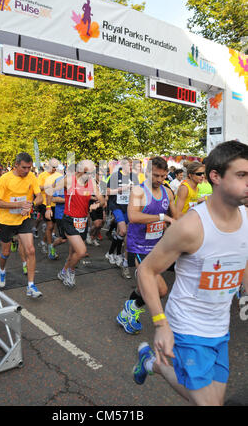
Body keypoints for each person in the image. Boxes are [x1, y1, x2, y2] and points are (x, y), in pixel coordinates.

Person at [132, 140, 248, 406]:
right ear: (215, 177)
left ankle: (152, 364)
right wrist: (160, 324)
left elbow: (244, 259)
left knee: (214, 399)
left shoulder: (247, 218)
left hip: (220, 327)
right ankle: (157, 365)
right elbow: (147, 271)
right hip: (187, 327)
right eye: (242, 175)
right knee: (209, 404)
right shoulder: (190, 227)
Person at [116, 157, 176, 333]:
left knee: (145, 288)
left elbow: (177, 217)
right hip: (138, 247)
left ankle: (129, 311)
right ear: (147, 172)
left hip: (157, 247)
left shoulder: (168, 192)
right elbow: (133, 216)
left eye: (163, 176)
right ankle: (131, 311)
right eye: (156, 175)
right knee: (161, 290)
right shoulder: (138, 191)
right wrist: (161, 218)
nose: (159, 180)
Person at [46, 160, 105, 288]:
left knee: (73, 253)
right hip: (69, 220)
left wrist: (97, 204)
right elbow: (49, 190)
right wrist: (48, 208)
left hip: (83, 222)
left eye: (92, 172)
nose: (90, 175)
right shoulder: (69, 180)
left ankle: (63, 272)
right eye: (87, 172)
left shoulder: (91, 183)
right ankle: (71, 272)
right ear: (79, 171)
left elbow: (102, 199)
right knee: (82, 251)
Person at [0, 152, 43, 298]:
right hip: (6, 221)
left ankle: (31, 286)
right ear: (16, 165)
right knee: (6, 253)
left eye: (29, 167)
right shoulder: (5, 179)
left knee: (31, 250)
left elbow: (39, 196)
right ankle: (2, 271)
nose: (27, 171)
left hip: (23, 219)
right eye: (24, 167)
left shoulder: (32, 177)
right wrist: (18, 204)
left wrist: (31, 204)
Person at [105, 158, 139, 267]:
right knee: (123, 231)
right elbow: (107, 191)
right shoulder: (115, 176)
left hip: (127, 207)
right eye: (129, 165)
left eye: (131, 165)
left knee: (121, 232)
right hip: (116, 206)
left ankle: (111, 253)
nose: (130, 167)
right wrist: (122, 189)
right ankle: (117, 254)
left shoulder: (134, 177)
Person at [37, 158, 63, 260]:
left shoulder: (59, 175)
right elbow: (38, 188)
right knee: (50, 225)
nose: (54, 169)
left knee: (52, 227)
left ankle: (43, 242)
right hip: (45, 203)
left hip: (56, 204)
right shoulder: (43, 175)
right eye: (53, 167)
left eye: (56, 167)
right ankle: (50, 248)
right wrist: (49, 185)